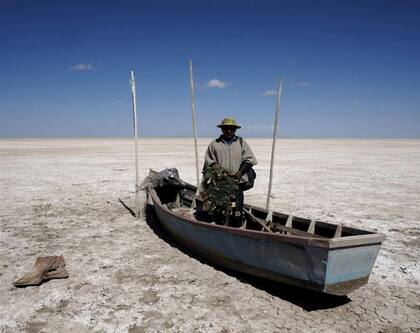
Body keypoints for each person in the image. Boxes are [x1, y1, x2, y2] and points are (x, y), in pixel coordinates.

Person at [202, 118, 257, 225]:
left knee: (237, 211)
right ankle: (220, 228)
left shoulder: (241, 142)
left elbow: (250, 160)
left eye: (231, 129)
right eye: (226, 128)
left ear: (235, 130)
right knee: (220, 212)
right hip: (219, 184)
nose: (228, 131)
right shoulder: (214, 144)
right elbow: (209, 161)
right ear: (222, 129)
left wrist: (240, 173)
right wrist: (217, 168)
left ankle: (236, 228)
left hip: (237, 184)